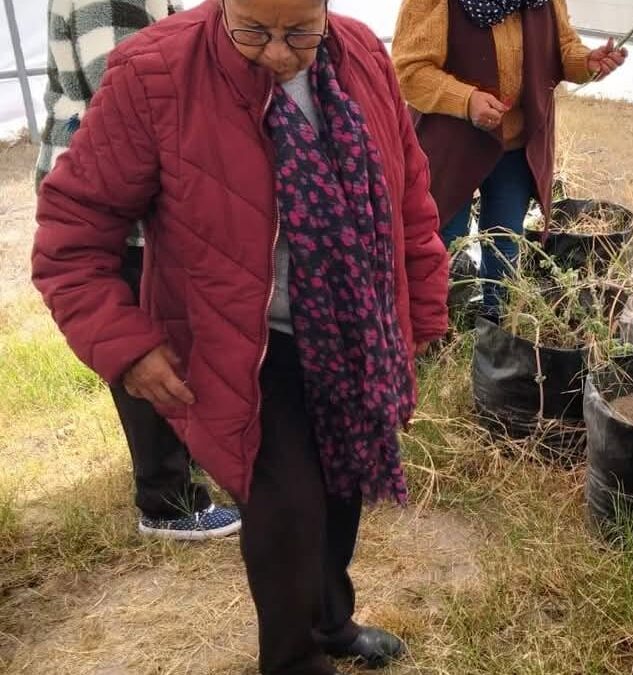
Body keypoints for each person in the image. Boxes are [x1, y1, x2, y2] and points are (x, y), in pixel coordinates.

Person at [32, 0, 450, 672]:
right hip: (247, 343)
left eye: (299, 34)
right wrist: (126, 344)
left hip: (349, 328)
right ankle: (293, 660)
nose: (280, 54)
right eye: (253, 32)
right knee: (288, 509)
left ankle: (331, 620)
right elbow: (73, 228)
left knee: (341, 491)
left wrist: (421, 311)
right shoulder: (155, 70)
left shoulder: (362, 55)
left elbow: (409, 197)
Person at [35, 0, 241, 539]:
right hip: (119, 196)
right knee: (139, 345)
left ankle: (180, 473)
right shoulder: (110, 1)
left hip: (130, 186)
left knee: (159, 338)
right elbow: (129, 92)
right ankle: (168, 501)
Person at [393, 0, 627, 316]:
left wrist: (587, 62)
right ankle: (432, 330)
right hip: (451, 145)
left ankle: (497, 328)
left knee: (504, 240)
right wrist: (466, 100)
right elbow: (409, 69)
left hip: (515, 145)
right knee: (444, 238)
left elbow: (562, 49)